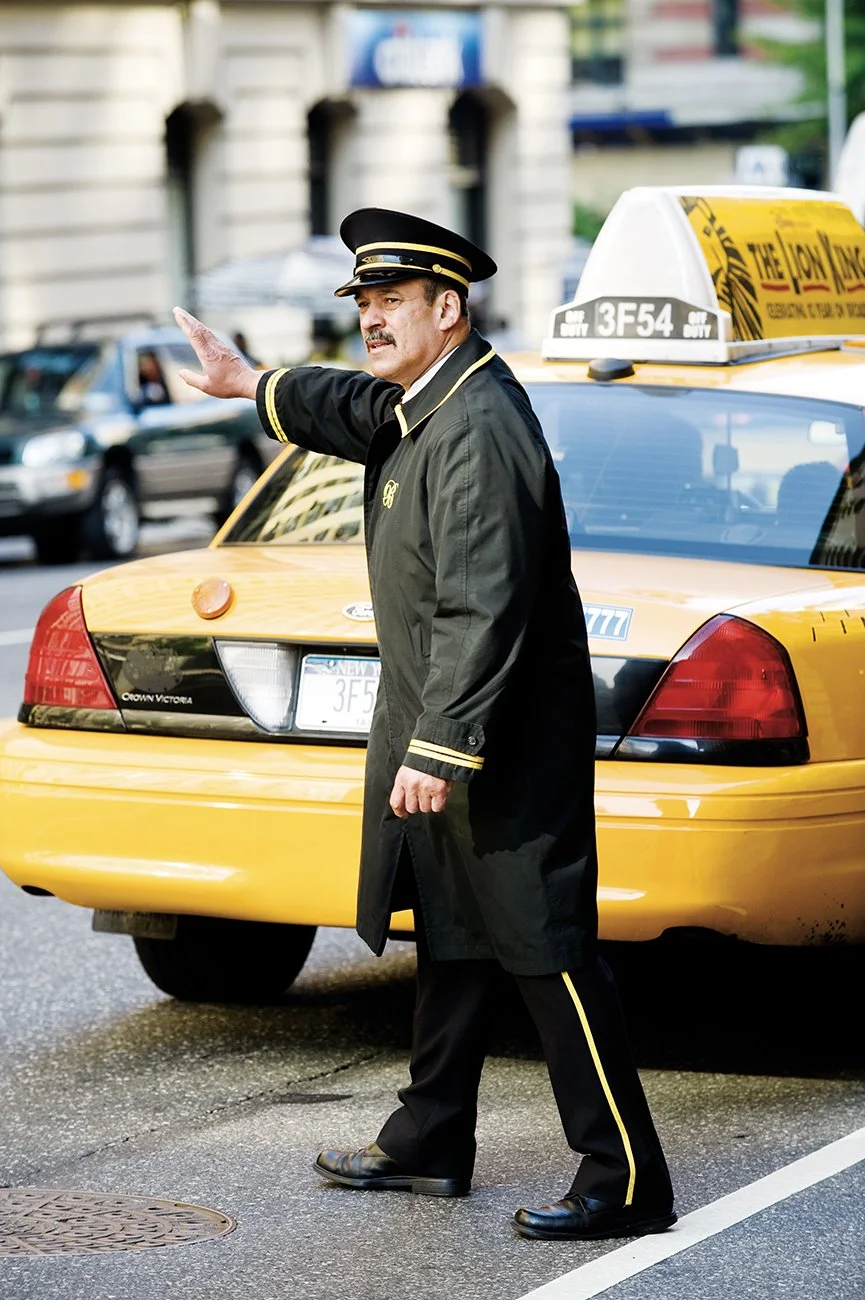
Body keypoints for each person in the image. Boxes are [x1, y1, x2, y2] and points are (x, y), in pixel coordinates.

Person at [173, 208, 676, 1242]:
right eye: (362, 302)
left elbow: (482, 603)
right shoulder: (422, 405)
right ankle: (431, 1135)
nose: (370, 319)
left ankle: (624, 1173)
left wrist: (441, 745)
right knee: (450, 929)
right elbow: (349, 405)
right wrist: (248, 384)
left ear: (447, 309)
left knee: (545, 944)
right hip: (452, 727)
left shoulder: (480, 428)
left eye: (389, 301)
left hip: (503, 742)